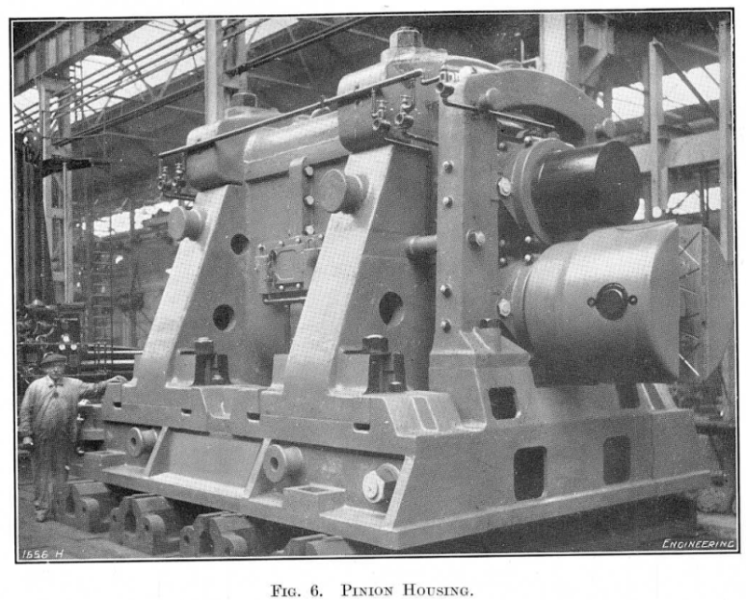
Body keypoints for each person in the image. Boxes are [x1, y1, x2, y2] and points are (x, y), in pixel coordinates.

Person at [19, 353, 127, 522]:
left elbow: (94, 388)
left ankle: (59, 508)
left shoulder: (74, 384)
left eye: (59, 366)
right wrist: (26, 435)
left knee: (61, 474)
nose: (56, 369)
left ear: (64, 367)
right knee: (41, 475)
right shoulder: (35, 387)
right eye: (52, 366)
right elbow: (25, 411)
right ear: (46, 369)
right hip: (41, 438)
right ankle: (41, 509)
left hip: (63, 438)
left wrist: (109, 381)